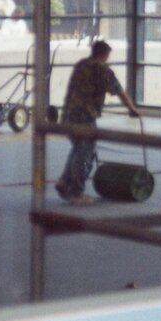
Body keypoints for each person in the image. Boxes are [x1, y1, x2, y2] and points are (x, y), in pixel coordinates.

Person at [56, 40, 139, 205]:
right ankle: (76, 192)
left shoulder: (81, 65)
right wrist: (132, 109)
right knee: (86, 154)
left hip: (68, 114)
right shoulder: (103, 70)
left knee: (77, 150)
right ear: (104, 54)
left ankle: (64, 182)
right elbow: (119, 92)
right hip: (85, 117)